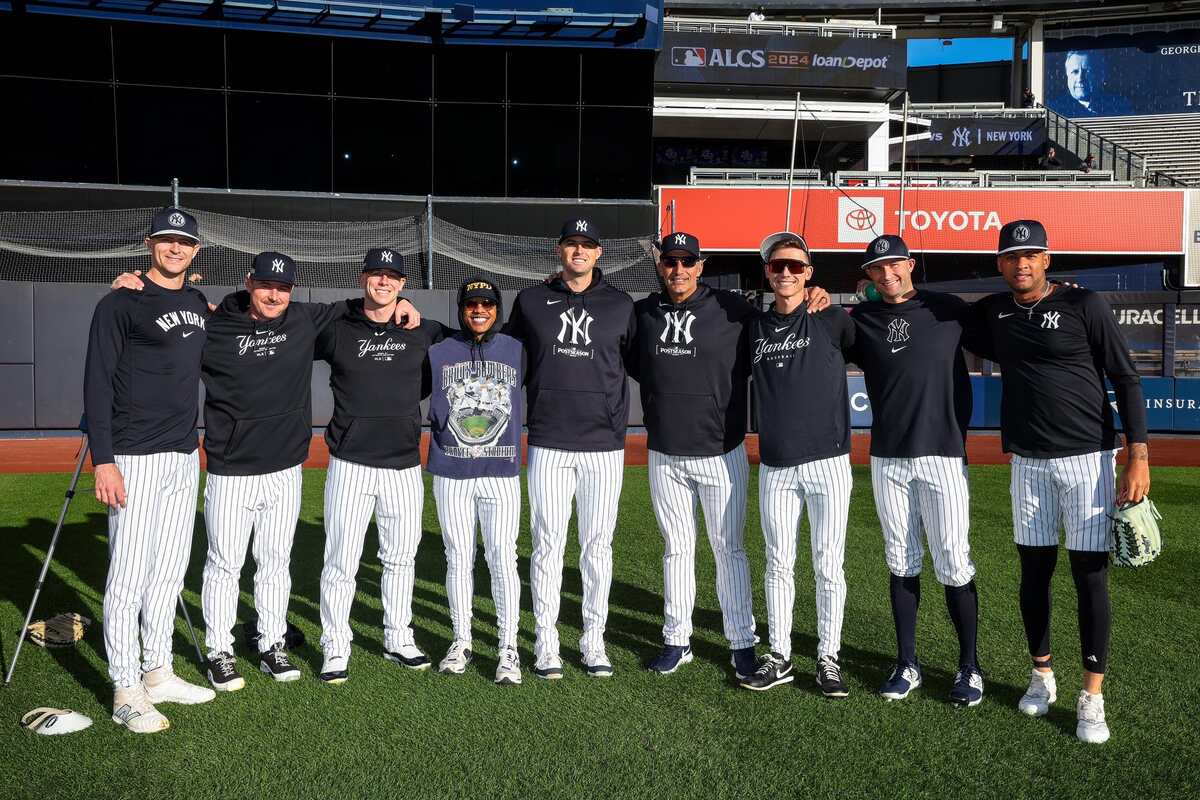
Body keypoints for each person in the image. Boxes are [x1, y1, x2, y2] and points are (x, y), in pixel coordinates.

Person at [109, 252, 421, 692]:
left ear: (292, 291)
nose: (274, 294)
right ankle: (220, 649)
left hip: (285, 468)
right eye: (265, 285)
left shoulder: (303, 320)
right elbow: (169, 318)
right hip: (230, 468)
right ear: (248, 283)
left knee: (275, 562)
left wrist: (404, 305)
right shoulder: (212, 323)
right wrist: (133, 285)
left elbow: (368, 303)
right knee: (224, 563)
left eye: (283, 287)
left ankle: (271, 640)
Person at [973, 219, 1150, 743]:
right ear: (1000, 264)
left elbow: (1126, 377)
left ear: (1047, 259)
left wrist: (1136, 455)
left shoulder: (1084, 306)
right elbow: (930, 309)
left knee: (1089, 576)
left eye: (1030, 254)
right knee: (1034, 572)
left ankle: (1092, 697)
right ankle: (1042, 674)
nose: (1021, 263)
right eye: (1011, 256)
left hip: (1087, 460)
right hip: (1027, 461)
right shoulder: (994, 311)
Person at [84, 207, 216, 733]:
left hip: (184, 456)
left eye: (184, 243)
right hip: (133, 456)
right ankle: (125, 686)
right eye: (166, 240)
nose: (175, 249)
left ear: (196, 251)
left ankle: (158, 670)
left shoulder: (198, 304)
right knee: (128, 574)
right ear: (149, 244)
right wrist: (104, 461)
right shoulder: (120, 303)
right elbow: (96, 382)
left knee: (168, 570)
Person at [848, 234, 986, 707]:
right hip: (888, 456)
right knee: (900, 559)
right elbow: (824, 335)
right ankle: (907, 663)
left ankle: (969, 667)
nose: (887, 275)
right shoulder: (863, 319)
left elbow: (1005, 323)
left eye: (894, 265)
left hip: (944, 454)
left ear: (910, 264)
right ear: (867, 276)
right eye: (876, 269)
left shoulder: (947, 309)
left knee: (952, 559)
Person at [505, 218, 636, 679]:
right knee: (546, 545)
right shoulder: (531, 300)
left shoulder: (621, 305)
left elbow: (641, 363)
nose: (578, 251)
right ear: (558, 250)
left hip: (603, 444)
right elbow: (503, 354)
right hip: (548, 440)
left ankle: (592, 640)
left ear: (599, 253)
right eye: (571, 244)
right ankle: (546, 642)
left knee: (597, 547)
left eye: (587, 245)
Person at [315, 249, 446, 684]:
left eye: (393, 277)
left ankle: (398, 636)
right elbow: (280, 318)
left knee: (400, 559)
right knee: (341, 560)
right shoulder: (337, 327)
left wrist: (412, 311)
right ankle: (335, 645)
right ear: (362, 278)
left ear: (403, 284)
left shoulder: (423, 330)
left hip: (405, 464)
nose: (384, 283)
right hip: (350, 463)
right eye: (376, 274)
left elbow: (475, 334)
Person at [631, 231, 758, 681]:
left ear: (701, 266)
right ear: (661, 266)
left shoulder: (733, 310)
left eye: (688, 262)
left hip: (720, 452)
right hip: (665, 452)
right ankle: (676, 638)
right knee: (677, 550)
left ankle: (742, 641)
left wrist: (816, 296)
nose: (678, 270)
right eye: (670, 262)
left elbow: (783, 322)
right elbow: (632, 362)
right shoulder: (644, 312)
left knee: (729, 550)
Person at [738, 232, 855, 697]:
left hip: (828, 461)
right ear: (767, 273)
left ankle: (829, 656)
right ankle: (780, 654)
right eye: (777, 266)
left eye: (795, 266)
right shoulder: (754, 327)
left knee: (829, 564)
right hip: (777, 465)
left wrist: (832, 302)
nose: (786, 273)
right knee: (778, 562)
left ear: (809, 274)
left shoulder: (831, 319)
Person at [427, 278, 525, 684]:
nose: (479, 310)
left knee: (502, 558)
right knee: (458, 557)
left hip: (501, 472)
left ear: (497, 309)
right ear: (461, 309)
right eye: (471, 304)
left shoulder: (518, 350)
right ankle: (462, 639)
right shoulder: (437, 349)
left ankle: (508, 647)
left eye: (486, 303)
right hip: (452, 471)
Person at [1059, 50, 1133, 117]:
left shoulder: (1120, 107)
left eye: (1087, 72)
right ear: (1067, 75)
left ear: (1101, 75)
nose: (1080, 78)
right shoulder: (1056, 111)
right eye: (1075, 72)